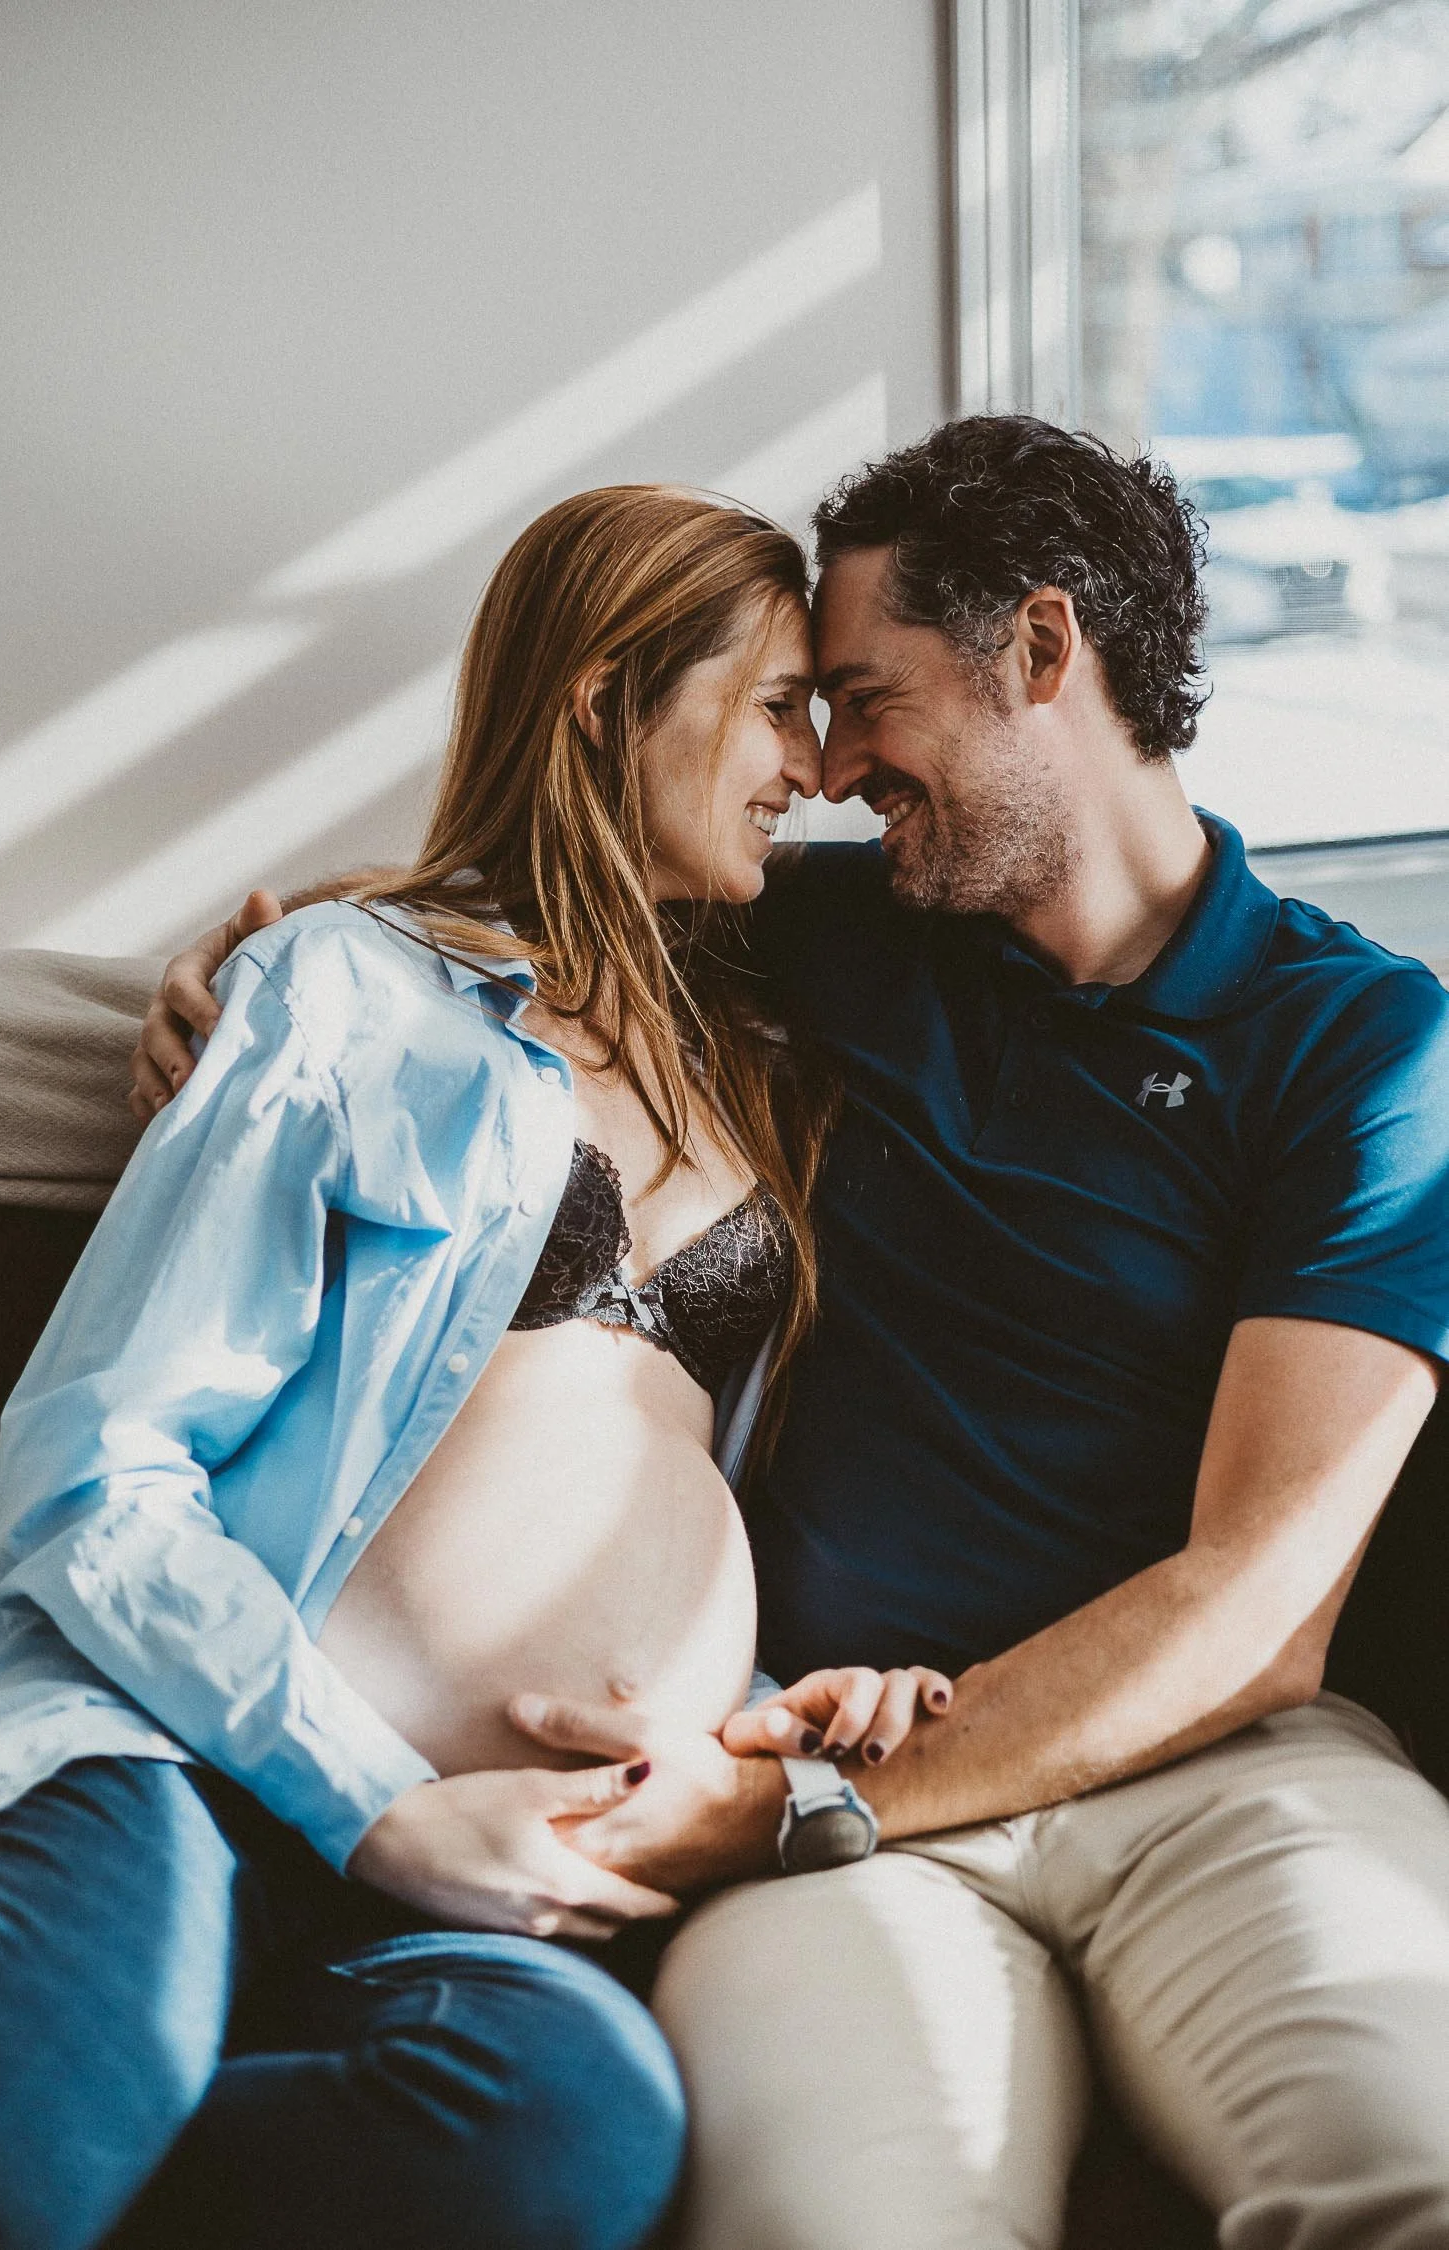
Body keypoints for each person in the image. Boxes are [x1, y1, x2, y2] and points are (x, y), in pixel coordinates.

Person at [150, 418, 1449, 2250]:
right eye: (805, 716)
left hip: (1198, 1784)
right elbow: (521, 907)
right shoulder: (821, 936)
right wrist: (257, 973)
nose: (828, 768)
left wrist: (796, 1794)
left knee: (1413, 2161)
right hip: (819, 1803)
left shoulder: (1364, 1045)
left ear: (1042, 650)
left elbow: (1263, 1604)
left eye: (862, 699)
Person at [0, 482, 945, 2250]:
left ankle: (123, 2106)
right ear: (606, 698)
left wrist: (782, 1703)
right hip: (188, 1750)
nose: (814, 767)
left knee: (565, 2139)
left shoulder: (769, 1060)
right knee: (22, 2136)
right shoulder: (349, 993)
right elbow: (93, 1470)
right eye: (779, 704)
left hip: (518, 1855)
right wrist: (384, 1806)